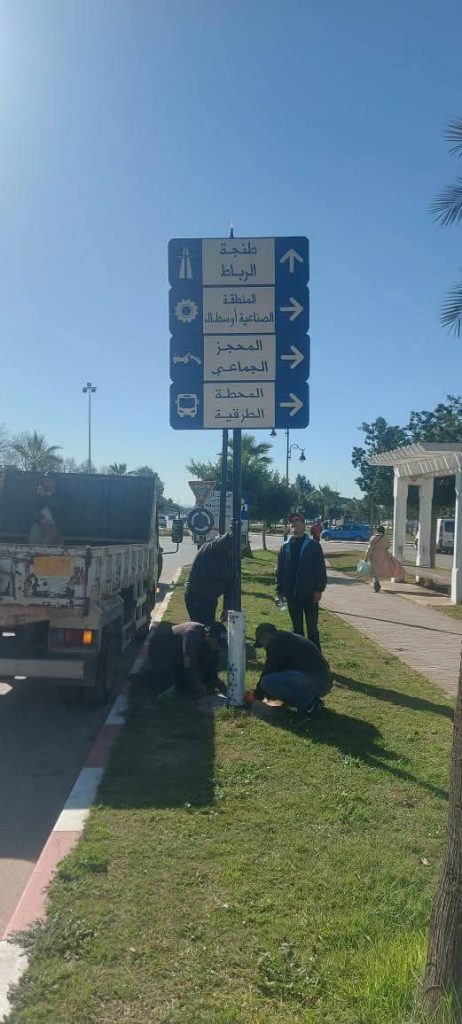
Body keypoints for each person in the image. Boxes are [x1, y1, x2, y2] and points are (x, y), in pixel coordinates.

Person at [252, 622, 332, 714]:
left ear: (265, 637)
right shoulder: (287, 638)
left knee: (267, 682)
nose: (264, 647)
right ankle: (312, 701)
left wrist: (257, 695)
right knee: (274, 682)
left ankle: (308, 704)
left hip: (315, 680)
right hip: (323, 681)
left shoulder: (276, 642)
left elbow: (270, 669)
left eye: (262, 644)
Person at [276, 511, 327, 649]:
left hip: (310, 594)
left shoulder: (313, 545)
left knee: (312, 628)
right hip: (292, 595)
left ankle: (316, 657)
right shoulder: (285, 547)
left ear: (304, 525)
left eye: (297, 520)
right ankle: (299, 657)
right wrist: (280, 591)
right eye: (291, 522)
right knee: (297, 629)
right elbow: (280, 571)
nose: (294, 523)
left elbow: (320, 568)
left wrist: (319, 589)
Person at [146, 619, 227, 697]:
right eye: (216, 642)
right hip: (161, 650)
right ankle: (146, 674)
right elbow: (188, 664)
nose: (218, 647)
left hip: (178, 653)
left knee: (200, 679)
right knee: (171, 685)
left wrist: (217, 683)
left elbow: (211, 671)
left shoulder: (211, 645)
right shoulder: (193, 634)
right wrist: (198, 687)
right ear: (208, 636)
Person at [185, 532, 233, 626]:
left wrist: (226, 607)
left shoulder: (214, 549)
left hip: (200, 594)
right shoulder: (215, 555)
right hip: (199, 595)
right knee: (202, 627)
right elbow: (227, 581)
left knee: (202, 627)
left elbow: (229, 582)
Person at [364, 525, 403, 593]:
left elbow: (369, 548)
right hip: (383, 556)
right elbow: (388, 546)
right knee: (379, 570)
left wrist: (366, 557)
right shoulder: (386, 538)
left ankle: (376, 584)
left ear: (377, 530)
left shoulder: (373, 538)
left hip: (374, 557)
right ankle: (377, 583)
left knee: (374, 571)